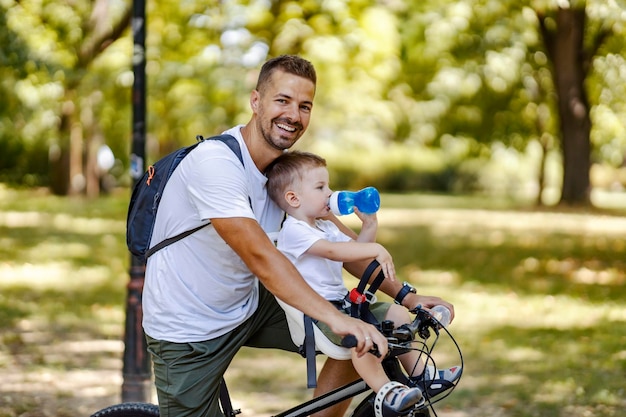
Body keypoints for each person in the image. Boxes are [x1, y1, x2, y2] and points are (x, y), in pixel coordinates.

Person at [141, 54, 455, 417]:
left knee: (367, 321)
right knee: (343, 320)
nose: (294, 114)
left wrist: (407, 297)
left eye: (304, 106)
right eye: (283, 101)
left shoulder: (284, 176)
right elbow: (261, 257)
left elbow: (343, 248)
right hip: (188, 325)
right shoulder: (216, 164)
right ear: (256, 101)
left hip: (249, 304)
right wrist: (338, 320)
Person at [265, 151, 462, 411]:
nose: (330, 193)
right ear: (293, 198)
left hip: (343, 306)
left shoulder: (324, 226)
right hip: (319, 315)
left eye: (329, 185)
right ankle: (386, 391)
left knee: (396, 314)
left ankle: (421, 375)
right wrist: (376, 249)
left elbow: (357, 252)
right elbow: (334, 252)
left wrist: (369, 227)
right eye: (321, 187)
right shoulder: (294, 231)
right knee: (364, 336)